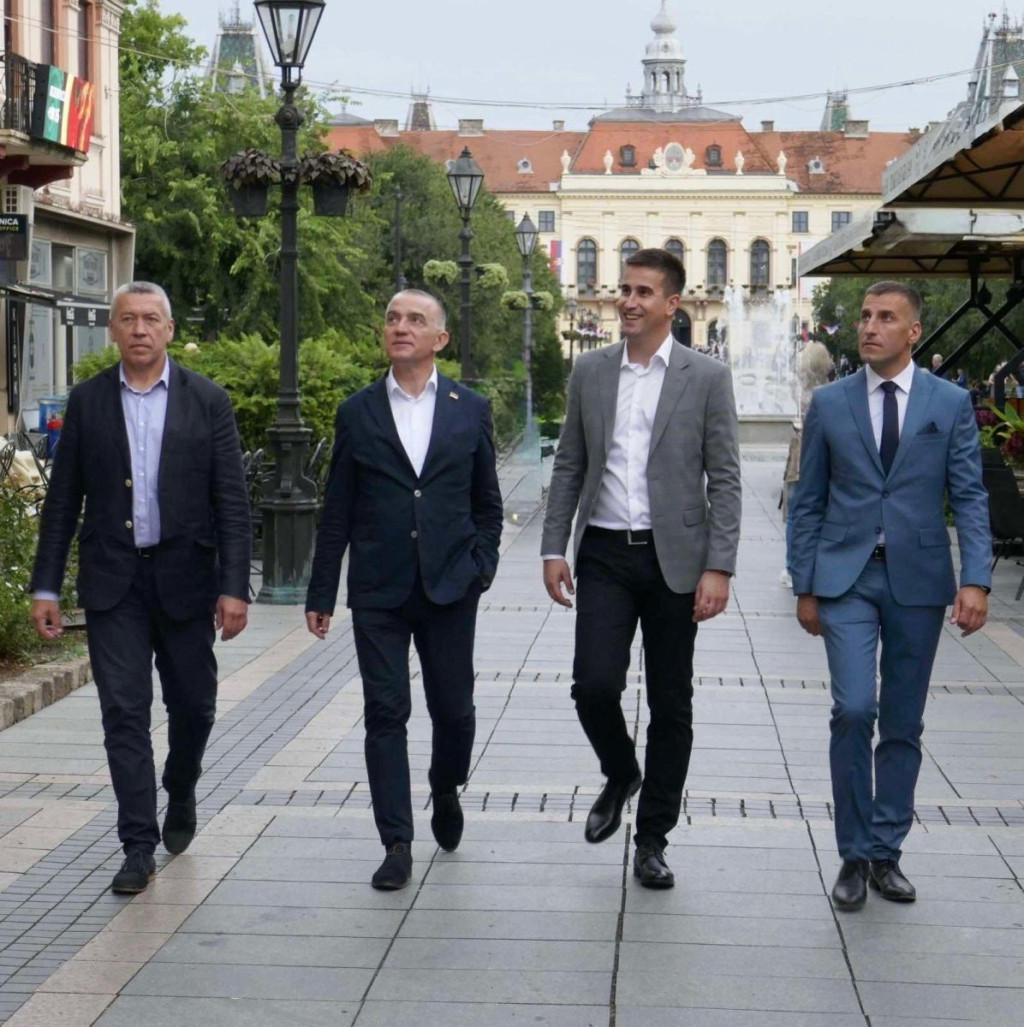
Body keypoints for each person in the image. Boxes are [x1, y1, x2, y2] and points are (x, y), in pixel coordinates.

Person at [29, 282, 251, 895]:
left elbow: (232, 501)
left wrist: (234, 586)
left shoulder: (207, 401)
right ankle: (137, 844)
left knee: (194, 705)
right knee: (124, 711)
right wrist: (45, 585)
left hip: (186, 579)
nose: (140, 329)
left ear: (170, 330)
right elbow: (62, 501)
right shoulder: (89, 401)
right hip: (114, 583)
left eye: (151, 319)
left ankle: (181, 787)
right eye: (128, 319)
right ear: (113, 329)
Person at [541, 248, 741, 889]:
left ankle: (653, 839)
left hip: (674, 560)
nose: (628, 301)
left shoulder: (705, 377)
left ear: (671, 304)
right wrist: (553, 547)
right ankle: (622, 770)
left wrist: (720, 567)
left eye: (643, 292)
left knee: (670, 703)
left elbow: (726, 478)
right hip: (603, 551)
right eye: (625, 289)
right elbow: (570, 462)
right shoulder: (591, 370)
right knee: (593, 686)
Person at [788, 281, 991, 912]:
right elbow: (807, 501)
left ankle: (885, 852)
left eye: (885, 318)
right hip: (845, 578)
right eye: (865, 316)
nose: (869, 327)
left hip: (919, 582)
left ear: (913, 331)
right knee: (854, 708)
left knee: (902, 722)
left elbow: (969, 495)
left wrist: (976, 578)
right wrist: (804, 584)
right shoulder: (830, 403)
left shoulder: (948, 403)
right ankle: (852, 853)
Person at [306, 290, 502, 891]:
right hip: (379, 588)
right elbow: (337, 507)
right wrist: (321, 591)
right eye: (393, 318)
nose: (401, 327)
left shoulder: (470, 409)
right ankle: (396, 841)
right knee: (386, 712)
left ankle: (445, 785)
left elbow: (487, 502)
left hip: (451, 585)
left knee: (454, 710)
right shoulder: (357, 411)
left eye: (416, 320)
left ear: (439, 339)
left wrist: (482, 565)